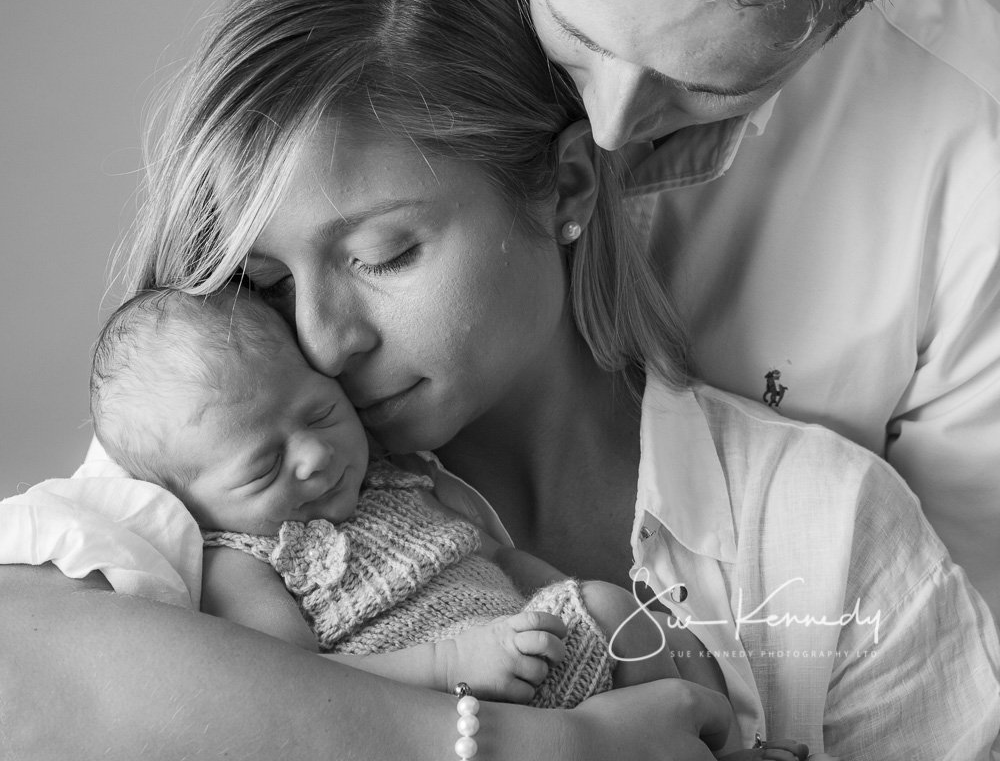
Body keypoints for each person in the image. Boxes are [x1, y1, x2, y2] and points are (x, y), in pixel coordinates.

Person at [1, 0, 997, 760]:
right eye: (266, 280)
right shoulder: (215, 474)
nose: (321, 337)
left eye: (383, 254)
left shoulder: (820, 527)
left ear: (564, 187)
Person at [337, 0, 1000, 619]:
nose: (608, 130)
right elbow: (137, 546)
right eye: (573, 29)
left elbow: (954, 654)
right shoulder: (354, 12)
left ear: (855, 6)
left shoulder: (977, 172)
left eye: (708, 84)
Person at [90, 283, 742, 716]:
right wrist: (449, 665)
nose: (314, 456)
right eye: (263, 466)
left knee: (617, 612)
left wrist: (545, 600)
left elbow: (494, 558)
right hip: (444, 712)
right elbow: (300, 688)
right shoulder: (241, 562)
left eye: (320, 413)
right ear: (184, 503)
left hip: (523, 651)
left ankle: (723, 740)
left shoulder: (393, 480)